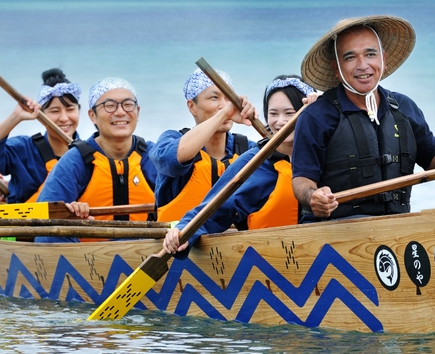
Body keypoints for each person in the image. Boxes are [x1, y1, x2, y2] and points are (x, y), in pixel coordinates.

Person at [292, 15, 435, 223]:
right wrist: (313, 197)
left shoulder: (404, 107)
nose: (363, 65)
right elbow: (302, 180)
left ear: (383, 59)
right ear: (336, 68)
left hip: (397, 228)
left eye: (370, 54)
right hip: (336, 231)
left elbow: (433, 157)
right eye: (350, 57)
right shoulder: (316, 116)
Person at [163, 75, 317, 255]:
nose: (280, 121)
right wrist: (184, 231)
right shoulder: (255, 161)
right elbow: (214, 208)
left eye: (289, 113)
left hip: (324, 251)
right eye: (273, 114)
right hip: (272, 259)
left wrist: (323, 109)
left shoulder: (328, 153)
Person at [35, 77, 157, 242]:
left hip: (150, 252)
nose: (120, 112)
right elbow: (44, 225)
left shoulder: (154, 156)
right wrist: (71, 220)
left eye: (128, 104)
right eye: (109, 105)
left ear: (138, 112)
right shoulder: (75, 161)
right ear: (92, 116)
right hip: (89, 255)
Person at [150, 68, 257, 222]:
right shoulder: (170, 140)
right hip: (179, 236)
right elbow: (172, 161)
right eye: (214, 97)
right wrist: (224, 114)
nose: (224, 105)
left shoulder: (248, 149)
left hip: (236, 238)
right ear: (192, 106)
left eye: (229, 98)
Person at [0, 68, 81, 203]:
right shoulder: (24, 149)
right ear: (42, 115)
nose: (64, 118)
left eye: (70, 109)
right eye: (55, 111)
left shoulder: (89, 154)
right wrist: (16, 116)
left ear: (79, 111)